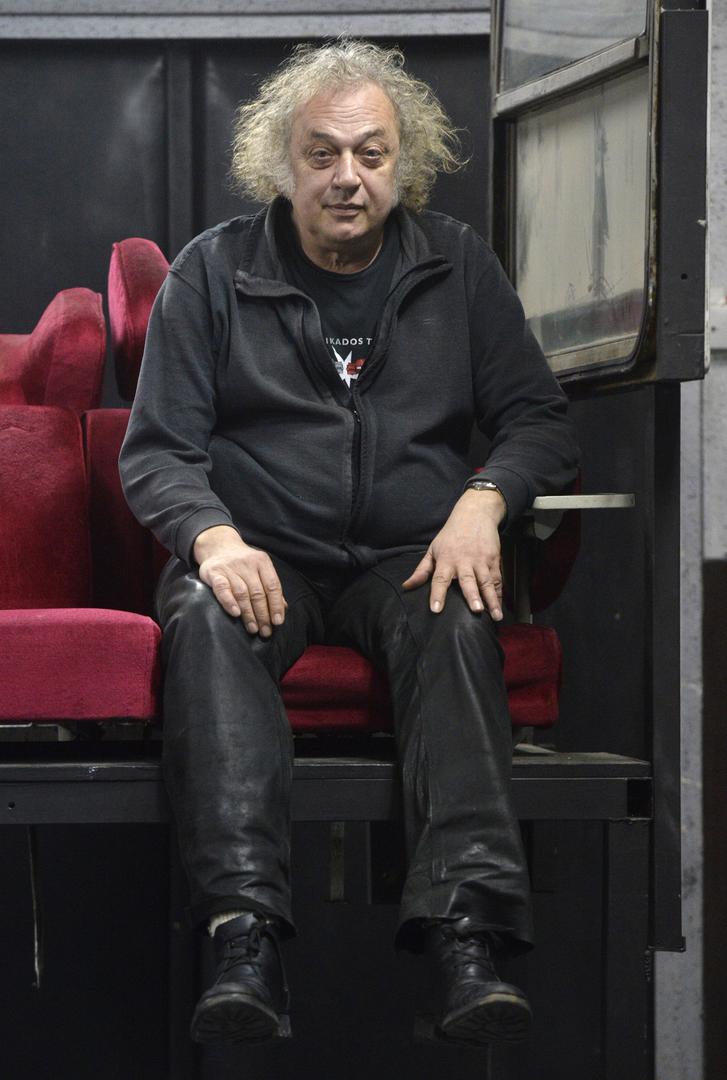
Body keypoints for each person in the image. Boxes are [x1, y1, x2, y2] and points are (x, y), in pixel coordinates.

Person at [119, 38, 579, 1048]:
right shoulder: (213, 271)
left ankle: (466, 942)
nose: (347, 176)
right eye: (322, 153)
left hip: (405, 558)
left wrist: (484, 501)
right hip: (265, 555)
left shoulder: (456, 265)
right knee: (202, 611)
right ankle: (242, 936)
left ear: (402, 161)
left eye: (371, 153)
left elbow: (538, 420)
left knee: (458, 612)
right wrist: (211, 539)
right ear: (279, 164)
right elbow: (156, 452)